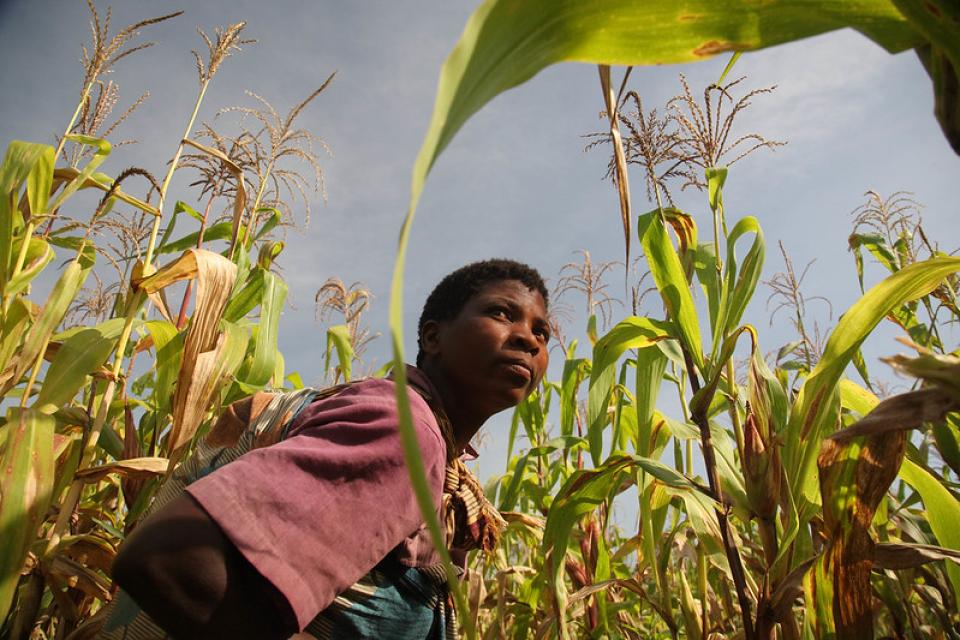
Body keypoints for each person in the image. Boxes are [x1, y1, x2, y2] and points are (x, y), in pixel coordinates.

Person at [105, 259, 551, 640]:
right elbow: (168, 560)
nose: (529, 339)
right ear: (432, 337)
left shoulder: (425, 446)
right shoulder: (405, 430)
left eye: (542, 332)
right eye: (501, 313)